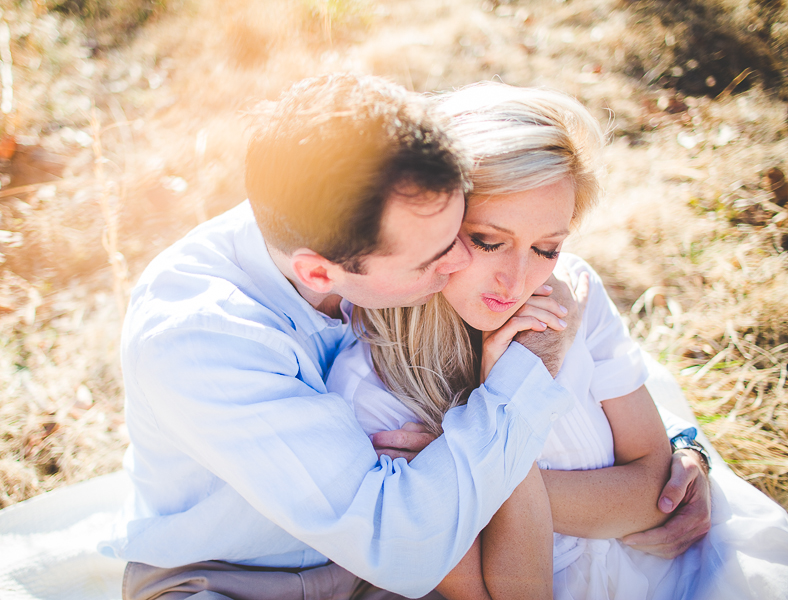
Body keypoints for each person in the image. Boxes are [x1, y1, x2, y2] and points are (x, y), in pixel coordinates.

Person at [100, 73, 712, 600]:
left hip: (384, 572)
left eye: (460, 234)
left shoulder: (389, 201)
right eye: (456, 248)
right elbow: (402, 536)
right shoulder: (203, 338)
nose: (455, 264)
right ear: (321, 272)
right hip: (240, 578)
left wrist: (684, 450)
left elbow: (637, 465)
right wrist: (518, 383)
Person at [328, 81, 788, 599]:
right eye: (488, 241)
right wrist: (509, 406)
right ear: (432, 218)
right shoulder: (370, 393)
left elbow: (652, 487)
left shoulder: (572, 298)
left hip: (673, 570)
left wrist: (468, 472)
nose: (517, 279)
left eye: (546, 247)